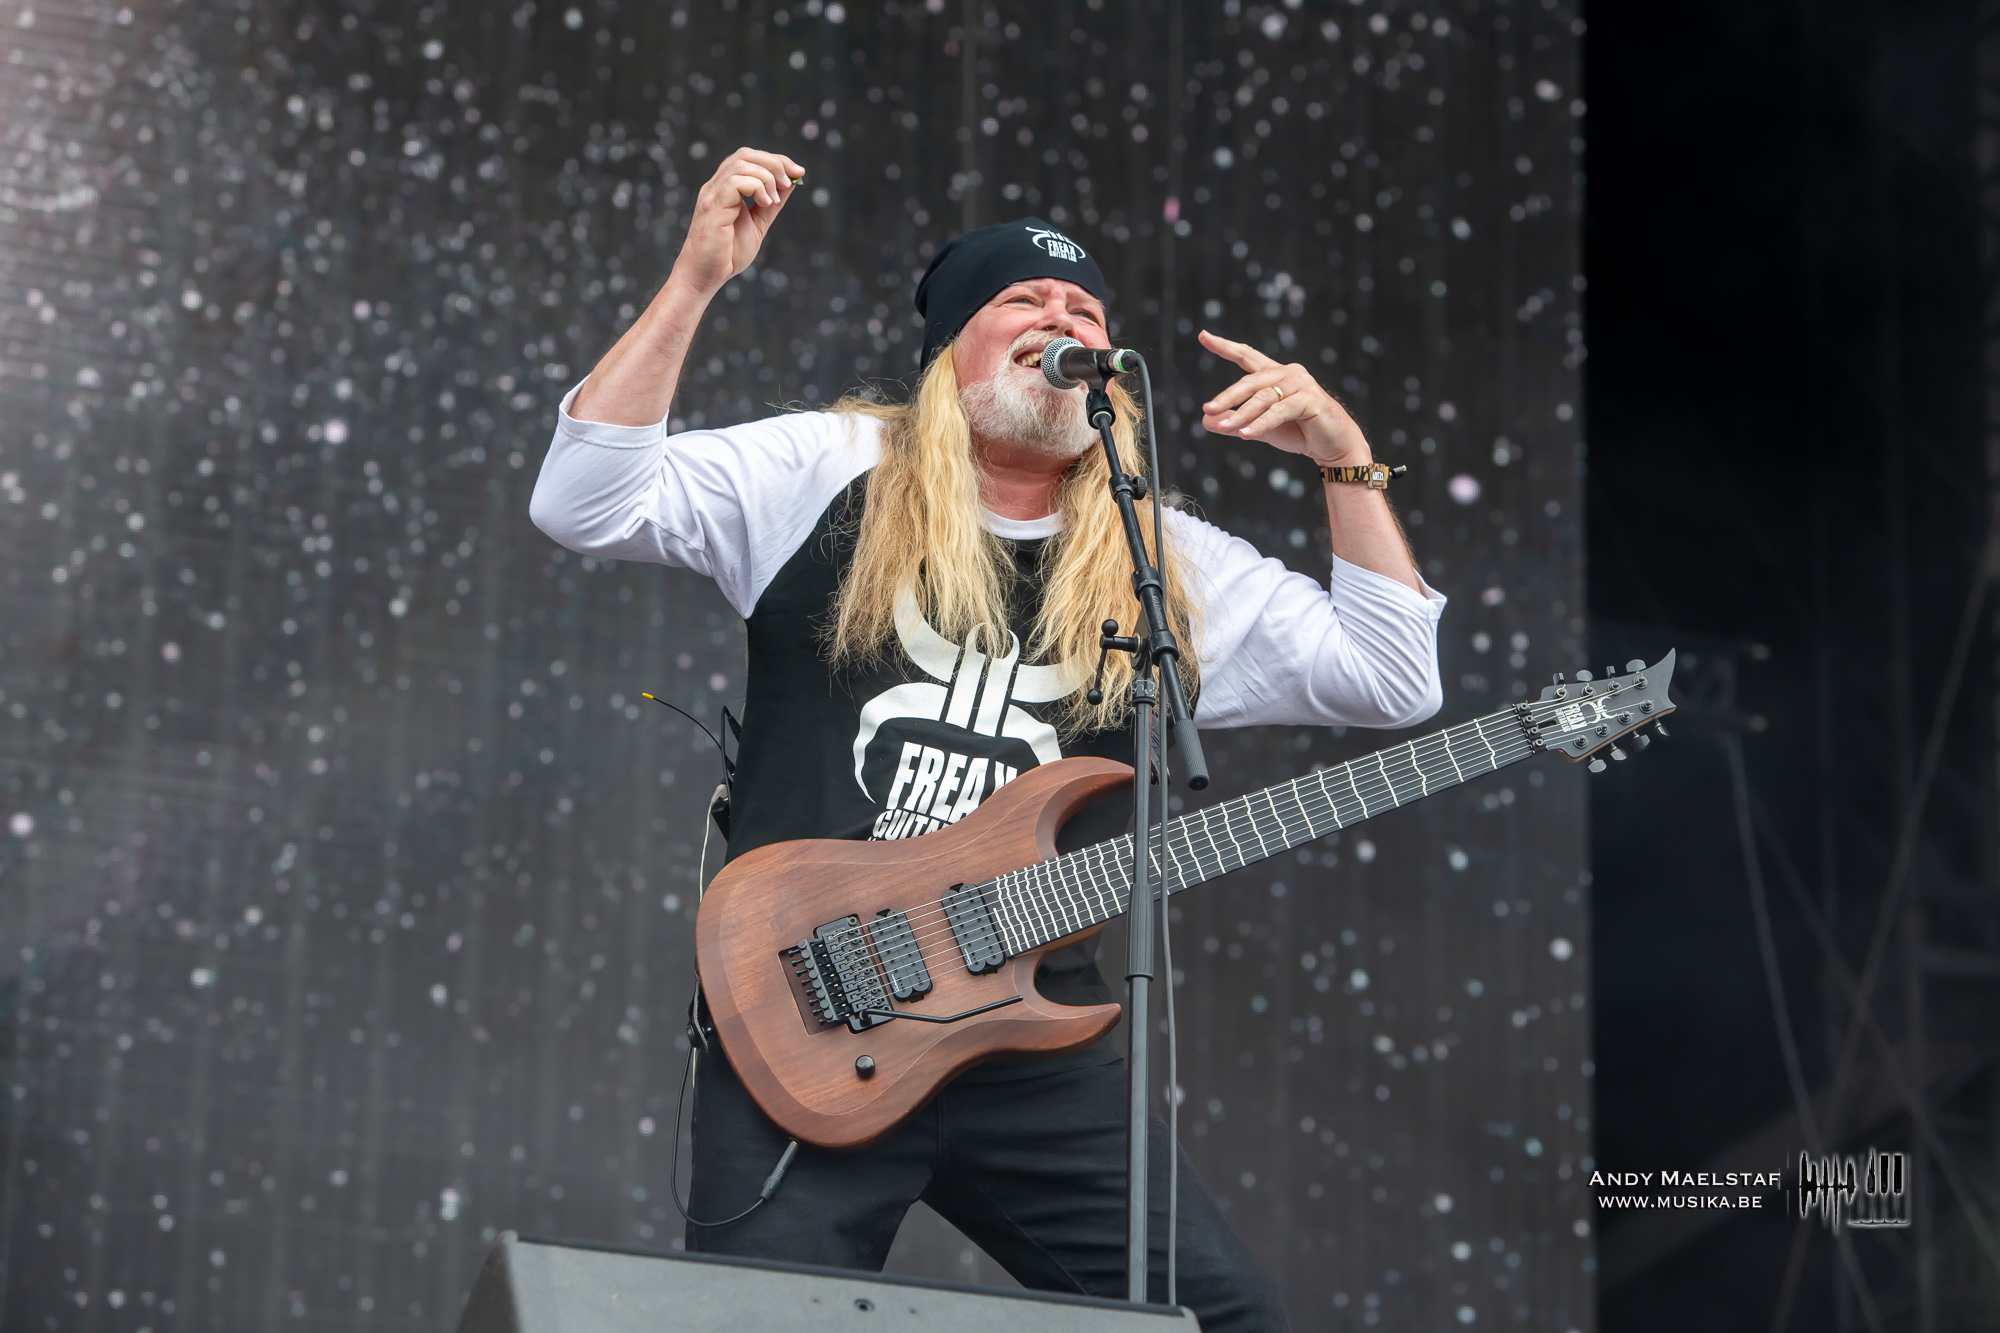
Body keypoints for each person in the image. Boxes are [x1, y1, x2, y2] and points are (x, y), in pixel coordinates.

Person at [530, 146, 1445, 1333]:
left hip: (1030, 1035)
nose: (1061, 318)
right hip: (814, 1009)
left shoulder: (1159, 556)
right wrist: (696, 279)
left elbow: (1391, 678)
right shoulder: (826, 467)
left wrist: (1342, 455)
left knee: (1225, 1317)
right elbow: (582, 502)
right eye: (1023, 298)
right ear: (948, 350)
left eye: (1084, 311)